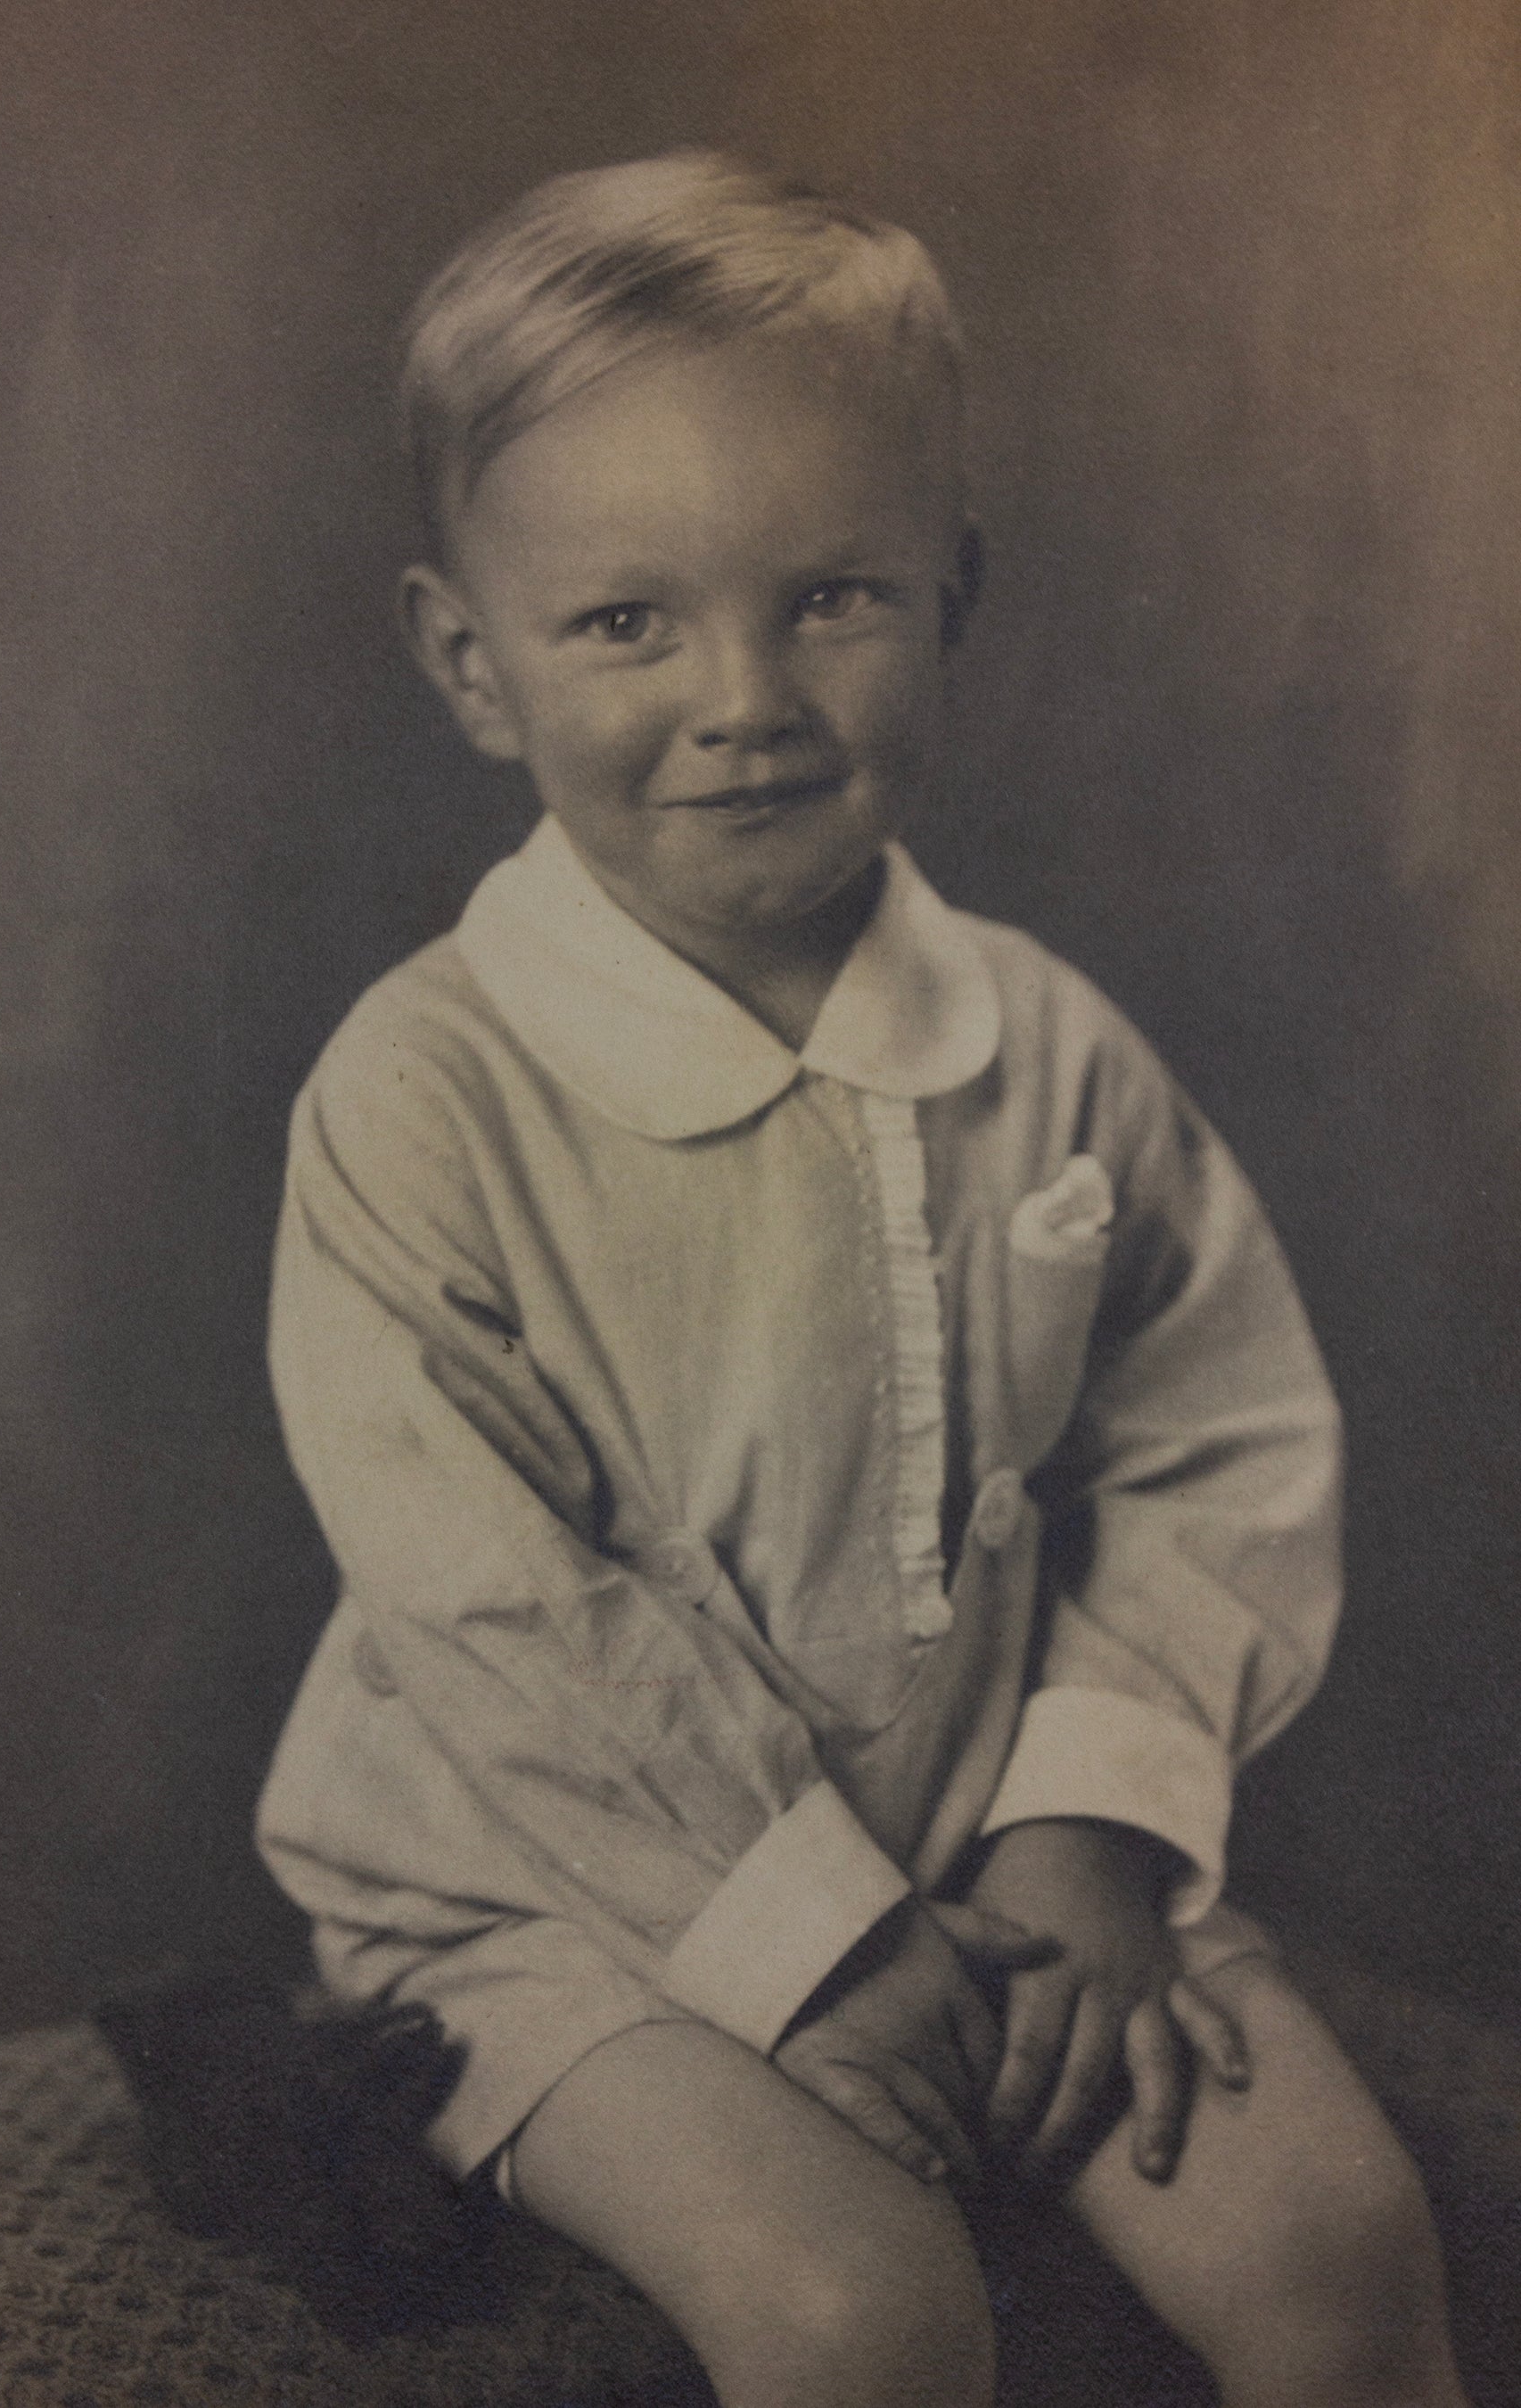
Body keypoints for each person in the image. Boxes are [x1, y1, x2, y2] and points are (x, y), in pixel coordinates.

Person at [256, 152, 1470, 2406]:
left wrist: (1088, 1818)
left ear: (956, 597)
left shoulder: (1050, 1045)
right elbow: (497, 1613)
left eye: (833, 597)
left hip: (1004, 1823)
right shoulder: (423, 1096)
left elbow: (1217, 1435)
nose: (745, 699)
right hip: (555, 1876)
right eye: (625, 621)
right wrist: (813, 1947)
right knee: (860, 2314)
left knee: (1333, 2244)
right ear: (472, 664)